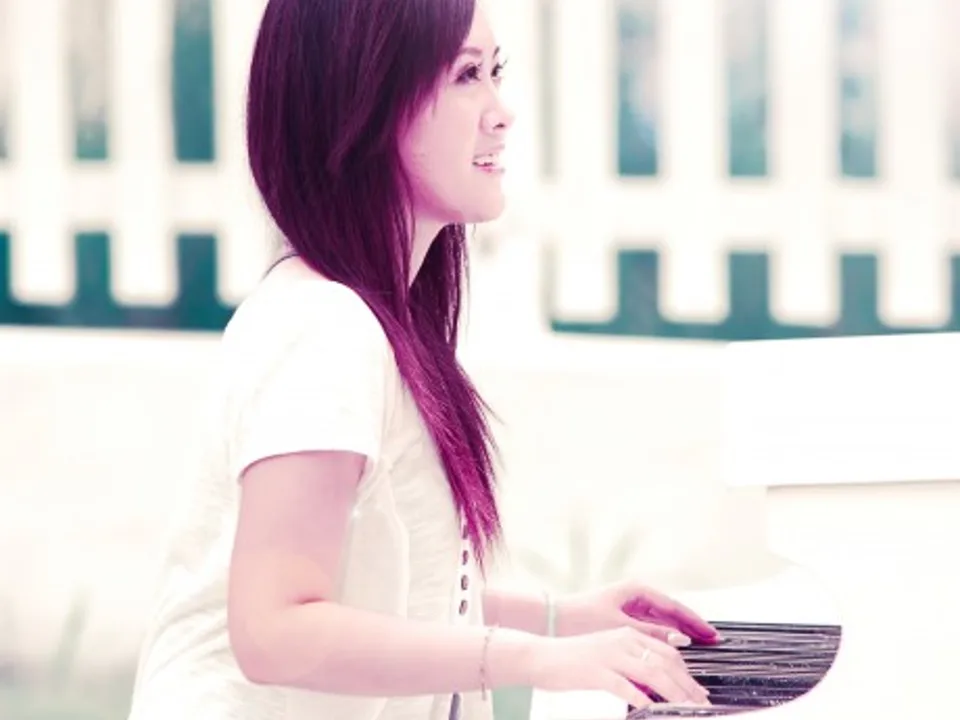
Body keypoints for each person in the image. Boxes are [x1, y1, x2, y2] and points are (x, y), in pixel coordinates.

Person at [125, 1, 719, 718]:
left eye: (495, 72)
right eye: (465, 76)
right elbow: (274, 630)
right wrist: (535, 660)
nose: (501, 113)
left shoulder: (373, 319)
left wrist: (561, 619)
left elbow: (394, 592)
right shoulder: (322, 327)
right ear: (365, 103)